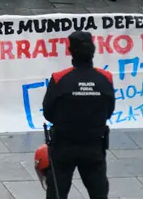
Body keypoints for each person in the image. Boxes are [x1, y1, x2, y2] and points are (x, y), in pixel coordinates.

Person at [42, 31, 114, 199]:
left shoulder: (60, 78)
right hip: (94, 146)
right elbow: (109, 110)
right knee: (98, 192)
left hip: (63, 146)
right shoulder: (105, 78)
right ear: (93, 51)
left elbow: (48, 113)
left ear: (70, 51)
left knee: (57, 192)